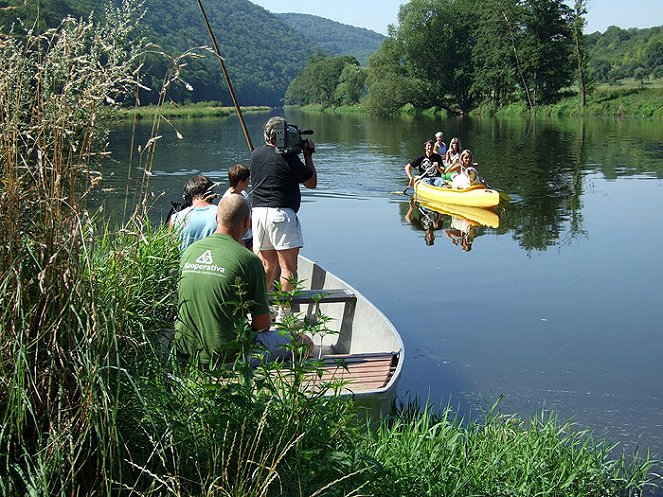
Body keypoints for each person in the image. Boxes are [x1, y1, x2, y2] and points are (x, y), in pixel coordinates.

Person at [174, 194, 311, 367]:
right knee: (304, 342)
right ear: (247, 223)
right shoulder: (249, 260)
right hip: (229, 357)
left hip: (186, 352)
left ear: (217, 218)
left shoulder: (190, 252)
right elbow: (261, 326)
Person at [250, 116, 317, 293]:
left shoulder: (255, 155)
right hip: (280, 215)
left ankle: (263, 311)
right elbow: (311, 183)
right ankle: (284, 314)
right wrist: (308, 156)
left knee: (267, 266)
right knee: (288, 269)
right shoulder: (289, 158)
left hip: (258, 215)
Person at [169, 175, 218, 250]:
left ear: (188, 196)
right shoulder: (221, 214)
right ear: (212, 195)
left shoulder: (175, 218)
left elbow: (170, 248)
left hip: (184, 261)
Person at [222, 164, 253, 249]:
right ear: (240, 182)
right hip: (240, 239)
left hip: (250, 236)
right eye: (247, 180)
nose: (248, 183)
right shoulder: (228, 199)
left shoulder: (243, 194)